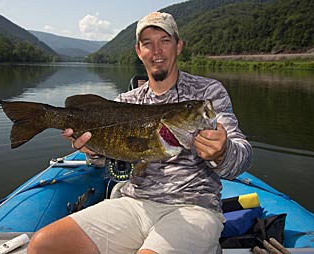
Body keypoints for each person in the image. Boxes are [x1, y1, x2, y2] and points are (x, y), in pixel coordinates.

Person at [28, 11, 252, 254]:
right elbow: (107, 159)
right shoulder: (126, 101)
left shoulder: (206, 94)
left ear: (178, 46)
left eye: (164, 41)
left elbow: (242, 158)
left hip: (194, 208)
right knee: (43, 245)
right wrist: (91, 151)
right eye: (148, 43)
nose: (156, 51)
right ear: (139, 51)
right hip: (134, 204)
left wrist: (223, 152)